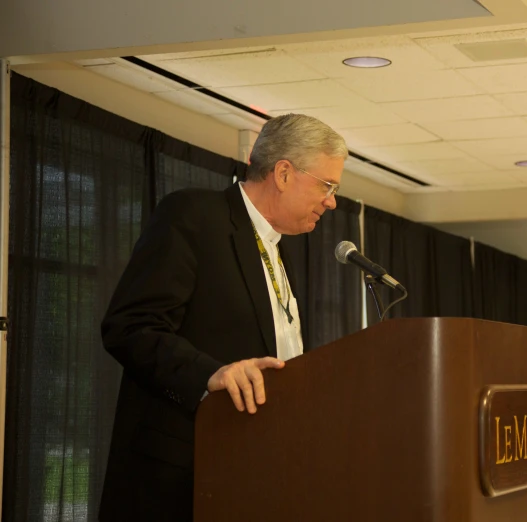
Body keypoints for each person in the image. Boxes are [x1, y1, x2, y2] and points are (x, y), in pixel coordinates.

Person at [98, 114, 348, 522]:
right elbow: (130, 327)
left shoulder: (278, 251)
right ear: (283, 173)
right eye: (327, 185)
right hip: (184, 475)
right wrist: (209, 374)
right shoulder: (195, 216)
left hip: (257, 471)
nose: (332, 200)